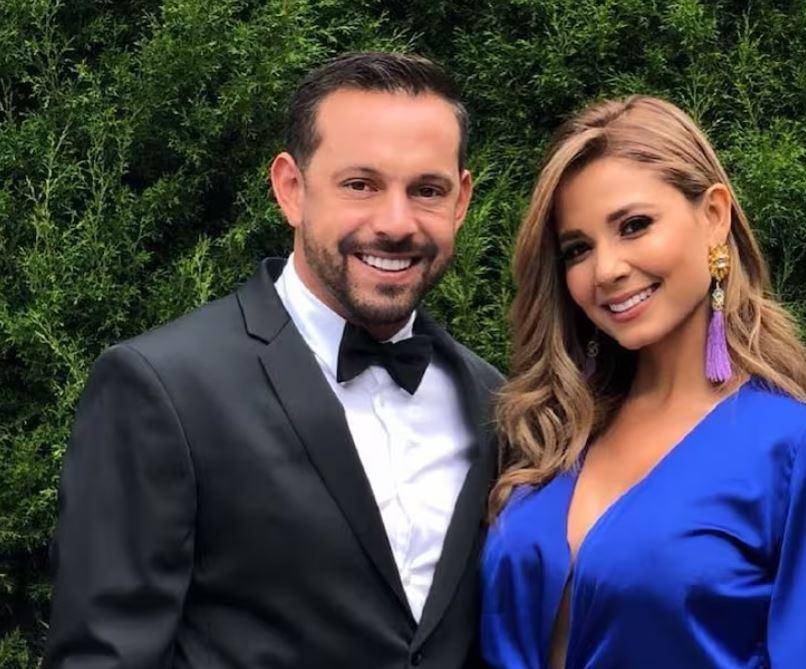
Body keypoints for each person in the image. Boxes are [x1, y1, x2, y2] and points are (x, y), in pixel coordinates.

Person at [45, 52, 502, 668]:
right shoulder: (164, 387)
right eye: (360, 184)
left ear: (461, 201)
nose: (396, 223)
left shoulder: (494, 401)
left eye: (427, 190)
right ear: (291, 188)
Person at [481, 96, 806, 668]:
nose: (606, 270)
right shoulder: (552, 434)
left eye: (634, 226)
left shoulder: (796, 453)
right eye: (578, 249)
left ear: (714, 216)